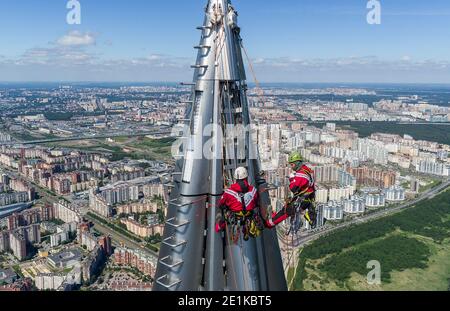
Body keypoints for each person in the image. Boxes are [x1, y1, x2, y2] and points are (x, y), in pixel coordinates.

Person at [265, 152, 317, 229]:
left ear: (297, 163)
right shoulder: (307, 169)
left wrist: (292, 178)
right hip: (308, 199)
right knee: (285, 209)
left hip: (301, 200)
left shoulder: (301, 175)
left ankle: (269, 224)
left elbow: (293, 188)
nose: (292, 167)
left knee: (285, 212)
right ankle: (274, 217)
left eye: (292, 165)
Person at [215, 167, 264, 241]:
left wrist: (227, 206)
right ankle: (246, 230)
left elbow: (221, 204)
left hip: (234, 217)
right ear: (246, 178)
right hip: (249, 217)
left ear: (236, 179)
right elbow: (257, 203)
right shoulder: (253, 190)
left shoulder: (229, 192)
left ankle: (218, 227)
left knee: (224, 217)